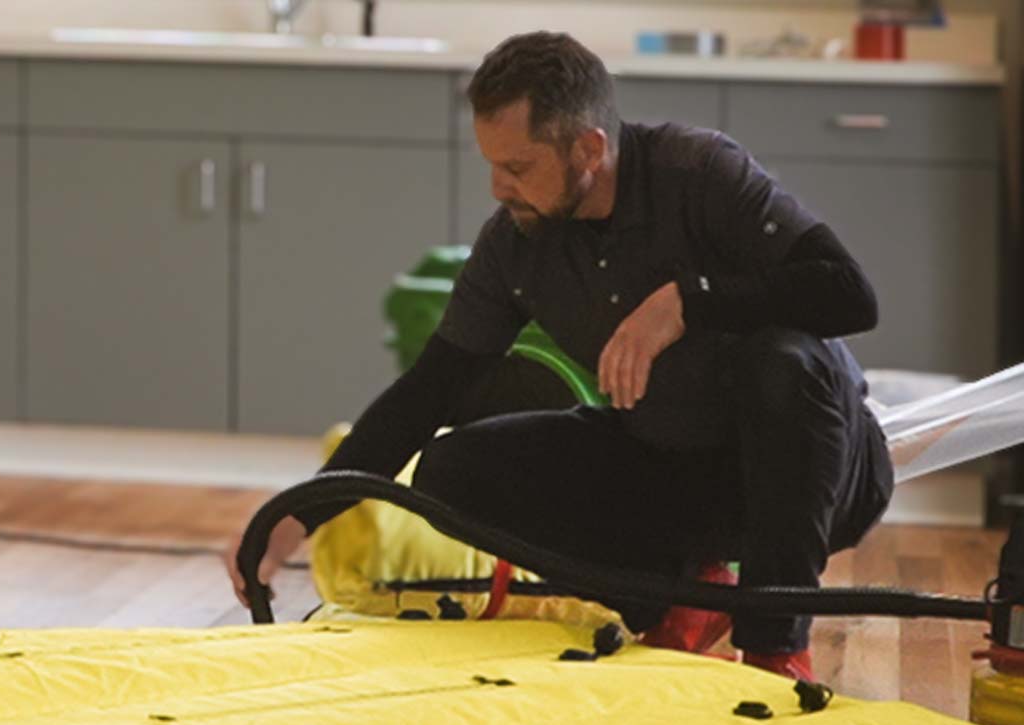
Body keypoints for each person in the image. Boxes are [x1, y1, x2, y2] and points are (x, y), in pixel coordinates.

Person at [227, 31, 894, 681]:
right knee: (452, 472)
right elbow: (430, 389)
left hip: (821, 474)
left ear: (589, 149)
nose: (498, 187)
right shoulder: (515, 244)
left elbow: (849, 295)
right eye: (491, 164)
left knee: (785, 362)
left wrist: (687, 302)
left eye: (517, 167)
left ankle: (775, 649)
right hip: (677, 473)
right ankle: (675, 598)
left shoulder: (700, 173)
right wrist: (298, 515)